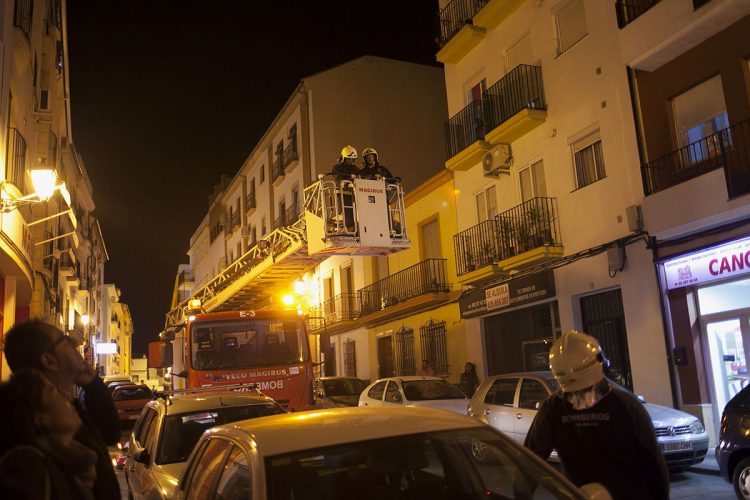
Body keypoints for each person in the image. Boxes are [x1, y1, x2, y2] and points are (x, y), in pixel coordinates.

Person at [524, 330, 669, 500]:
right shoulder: (626, 406)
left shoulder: (552, 409)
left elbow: (529, 461)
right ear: (600, 362)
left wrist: (520, 493)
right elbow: (654, 464)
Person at [2, 320, 121, 500]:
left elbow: (109, 434)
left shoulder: (65, 408)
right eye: (65, 340)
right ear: (49, 361)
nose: (74, 344)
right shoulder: (29, 457)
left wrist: (93, 385)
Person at [0, 369, 97, 499]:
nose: (68, 398)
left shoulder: (73, 463)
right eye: (57, 394)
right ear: (41, 418)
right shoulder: (28, 466)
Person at [329, 145, 360, 231]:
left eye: (352, 159)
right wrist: (347, 183)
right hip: (343, 195)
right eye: (349, 159)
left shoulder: (356, 169)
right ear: (344, 158)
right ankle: (350, 228)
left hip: (355, 195)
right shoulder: (337, 168)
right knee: (347, 210)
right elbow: (338, 179)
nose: (351, 161)